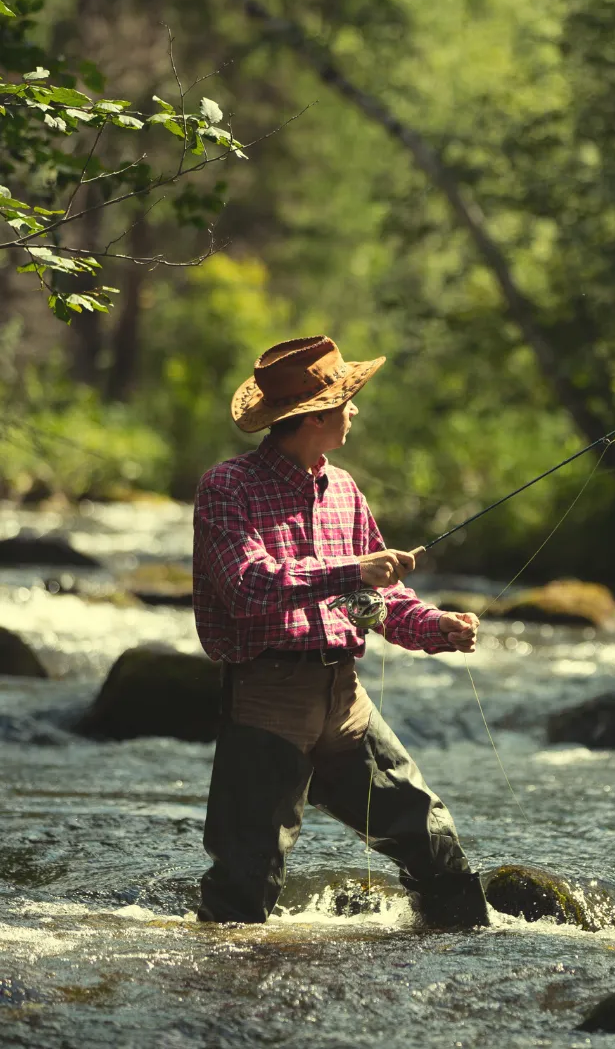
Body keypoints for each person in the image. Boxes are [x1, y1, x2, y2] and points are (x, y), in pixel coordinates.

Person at [191, 334, 489, 929]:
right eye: (347, 399)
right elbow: (245, 586)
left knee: (431, 839)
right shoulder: (227, 488)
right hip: (268, 702)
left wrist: (438, 628)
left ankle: (465, 953)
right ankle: (222, 996)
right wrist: (350, 570)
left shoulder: (344, 489)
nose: (354, 409)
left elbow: (376, 599)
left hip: (346, 704)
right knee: (245, 883)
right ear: (315, 416)